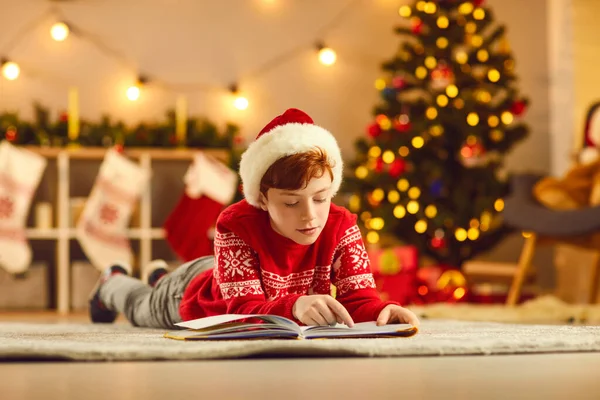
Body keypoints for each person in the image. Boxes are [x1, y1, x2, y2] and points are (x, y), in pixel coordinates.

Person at [89, 108, 420, 329]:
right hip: (196, 294)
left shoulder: (342, 225)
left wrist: (380, 312)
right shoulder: (236, 223)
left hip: (230, 275)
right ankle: (113, 282)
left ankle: (159, 274)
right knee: (139, 308)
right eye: (291, 202)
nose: (310, 215)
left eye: (320, 198)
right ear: (262, 198)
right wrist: (293, 307)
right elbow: (243, 310)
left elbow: (357, 298)